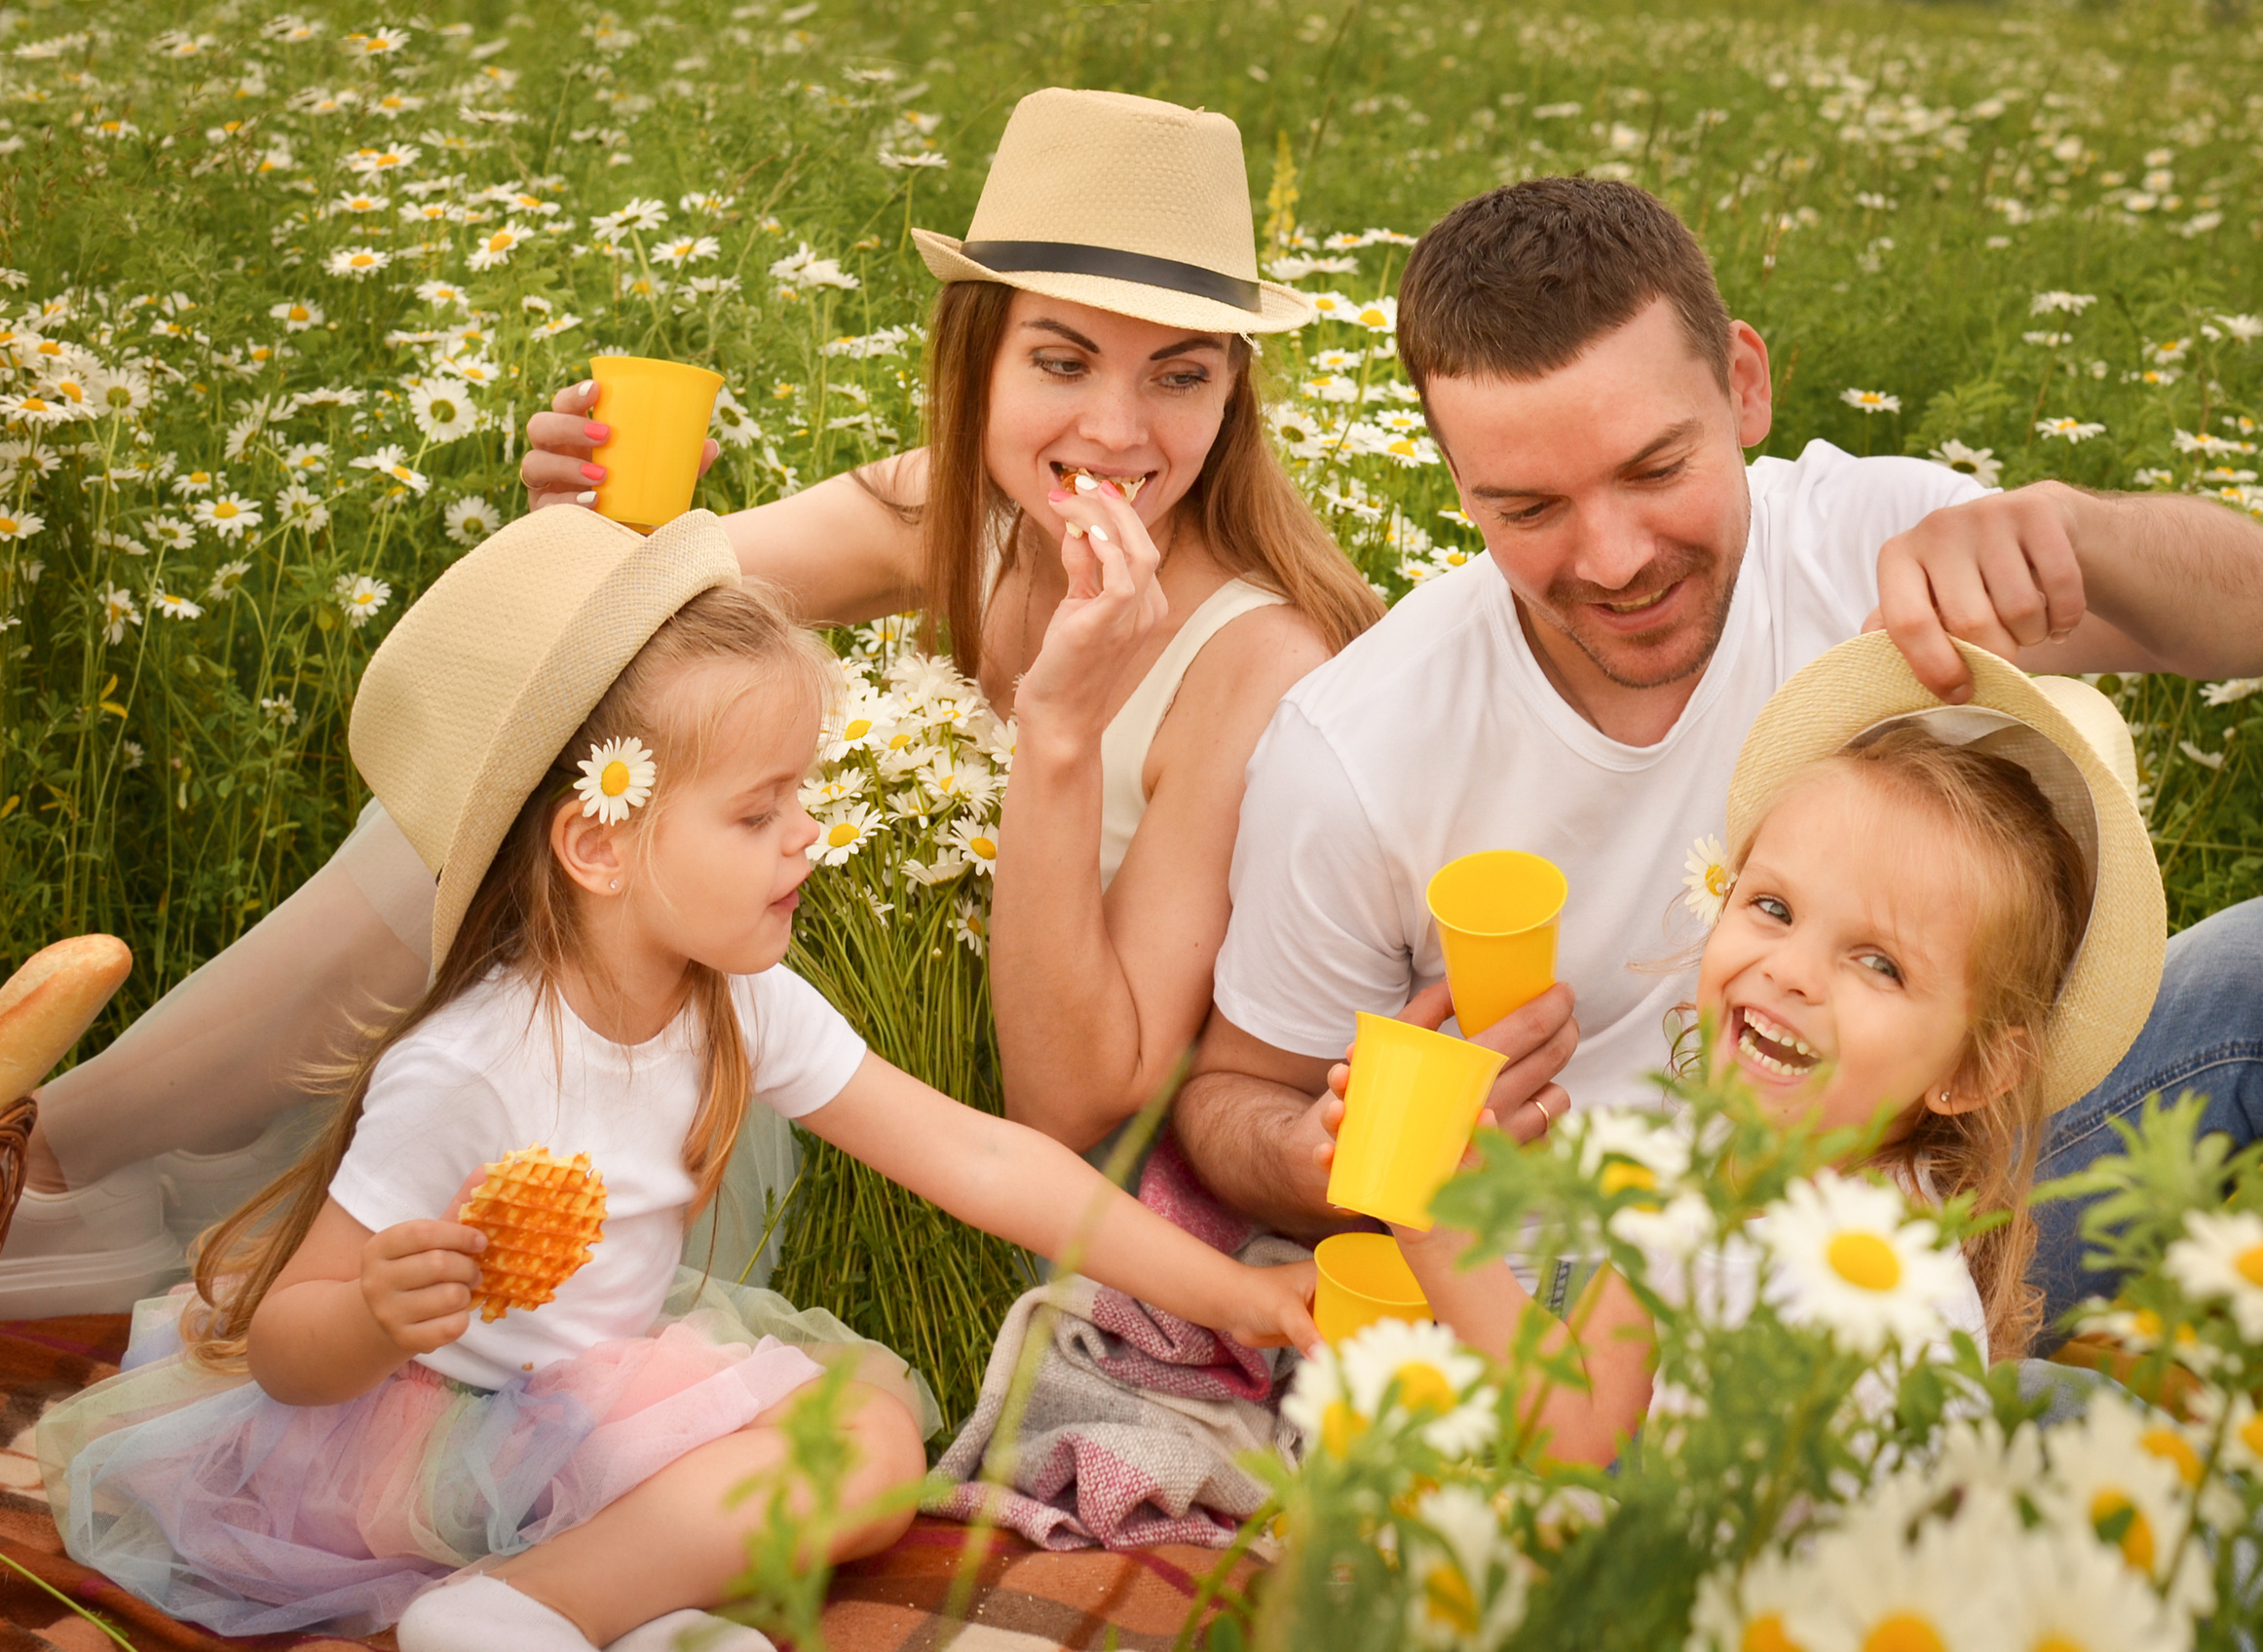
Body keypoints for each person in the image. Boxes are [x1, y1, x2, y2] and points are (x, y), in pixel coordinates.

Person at [0, 88, 1380, 1314]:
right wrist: (580, 515)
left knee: (635, 902)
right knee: (517, 780)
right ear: (979, 358)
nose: (1116, 435)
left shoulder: (1258, 659)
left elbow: (1075, 1102)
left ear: (1234, 393)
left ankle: (49, 1151)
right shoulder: (956, 514)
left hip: (976, 1152)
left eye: (1180, 376)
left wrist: (1065, 733)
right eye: (1063, 361)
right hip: (794, 1013)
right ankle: (51, 1147)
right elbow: (616, 612)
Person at [1171, 175, 2263, 1354]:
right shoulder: (1361, 740)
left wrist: (2072, 532)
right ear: (1460, 489)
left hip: (1922, 1178)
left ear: (1742, 385)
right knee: (2061, 1471)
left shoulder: (1877, 546)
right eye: (1530, 508)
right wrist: (1349, 1150)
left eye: (1656, 467)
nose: (1617, 555)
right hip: (1608, 1283)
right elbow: (1233, 1106)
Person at [35, 507, 1319, 1649]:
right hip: (428, 1425)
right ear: (599, 841)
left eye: (800, 795)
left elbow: (980, 1159)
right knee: (839, 1453)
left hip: (601, 1387)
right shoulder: (468, 1065)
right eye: (759, 813)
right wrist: (375, 1310)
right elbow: (287, 1347)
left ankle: (613, 1600)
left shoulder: (736, 999)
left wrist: (1240, 1299)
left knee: (868, 1443)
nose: (807, 833)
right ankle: (522, 1611)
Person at [1354, 633, 2158, 1462]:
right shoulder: (1703, 1154)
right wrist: (1432, 1224)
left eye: (1878, 963)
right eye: (1773, 908)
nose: (1792, 971)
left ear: (1974, 1069)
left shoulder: (1859, 1311)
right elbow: (1581, 1424)